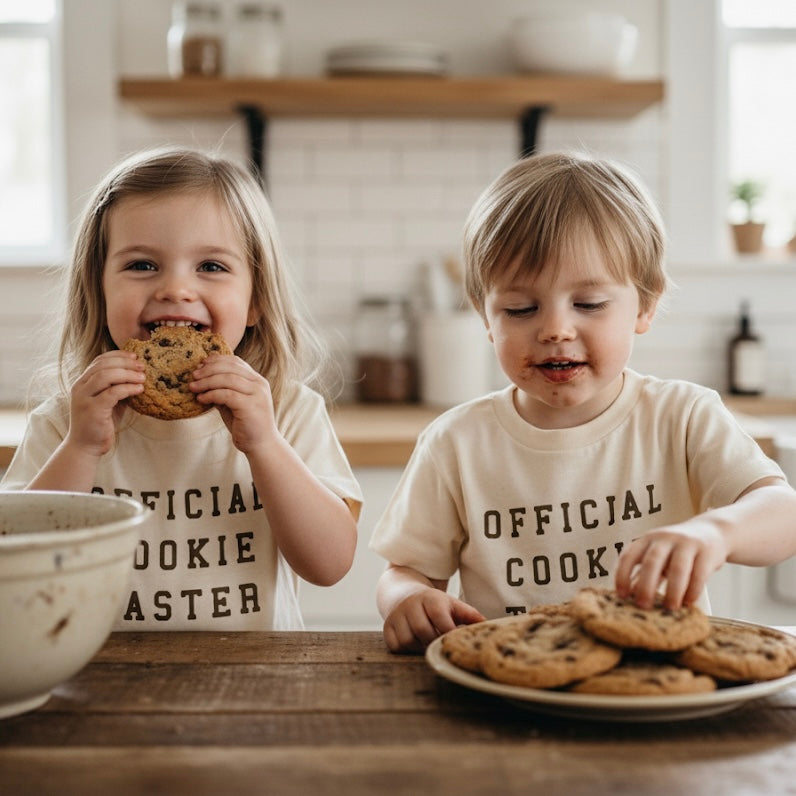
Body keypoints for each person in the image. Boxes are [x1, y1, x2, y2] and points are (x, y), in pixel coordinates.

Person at [370, 151, 796, 653]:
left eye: (589, 304)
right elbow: (404, 571)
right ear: (486, 317)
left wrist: (716, 534)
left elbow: (782, 513)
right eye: (520, 308)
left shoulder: (682, 416)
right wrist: (410, 598)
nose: (554, 329)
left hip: (652, 683)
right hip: (508, 689)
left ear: (646, 303)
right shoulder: (456, 442)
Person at [2, 146, 362, 631]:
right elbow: (19, 561)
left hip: (258, 684)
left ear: (255, 300)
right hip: (108, 681)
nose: (175, 289)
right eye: (142, 265)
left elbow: (330, 564)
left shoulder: (287, 410)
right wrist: (82, 447)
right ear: (98, 288)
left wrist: (264, 444)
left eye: (211, 267)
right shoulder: (68, 421)